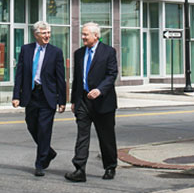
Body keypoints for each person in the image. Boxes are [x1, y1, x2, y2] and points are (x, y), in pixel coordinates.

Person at [65, 22, 119, 182]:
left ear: (96, 36)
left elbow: (112, 74)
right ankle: (79, 169)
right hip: (83, 101)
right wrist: (74, 100)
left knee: (106, 137)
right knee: (82, 136)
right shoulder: (79, 53)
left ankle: (110, 167)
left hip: (103, 102)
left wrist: (100, 90)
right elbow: (76, 79)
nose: (82, 37)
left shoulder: (108, 52)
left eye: (85, 35)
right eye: (82, 34)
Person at [12, 21, 66, 176]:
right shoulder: (26, 50)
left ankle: (40, 163)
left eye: (48, 32)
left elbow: (60, 78)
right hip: (31, 94)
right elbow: (20, 74)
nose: (47, 36)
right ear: (36, 34)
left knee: (44, 129)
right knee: (31, 125)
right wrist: (16, 95)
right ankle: (48, 152)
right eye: (44, 33)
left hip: (47, 95)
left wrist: (62, 101)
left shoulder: (55, 52)